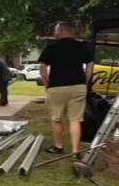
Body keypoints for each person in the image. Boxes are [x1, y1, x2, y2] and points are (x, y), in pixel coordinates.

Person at [38, 21, 94, 156]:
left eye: (56, 30)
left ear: (62, 31)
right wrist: (84, 82)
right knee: (75, 119)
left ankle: (58, 147)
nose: (54, 33)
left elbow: (43, 67)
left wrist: (47, 84)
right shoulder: (82, 46)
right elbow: (90, 65)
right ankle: (75, 151)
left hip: (57, 87)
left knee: (57, 118)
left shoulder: (51, 47)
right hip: (78, 86)